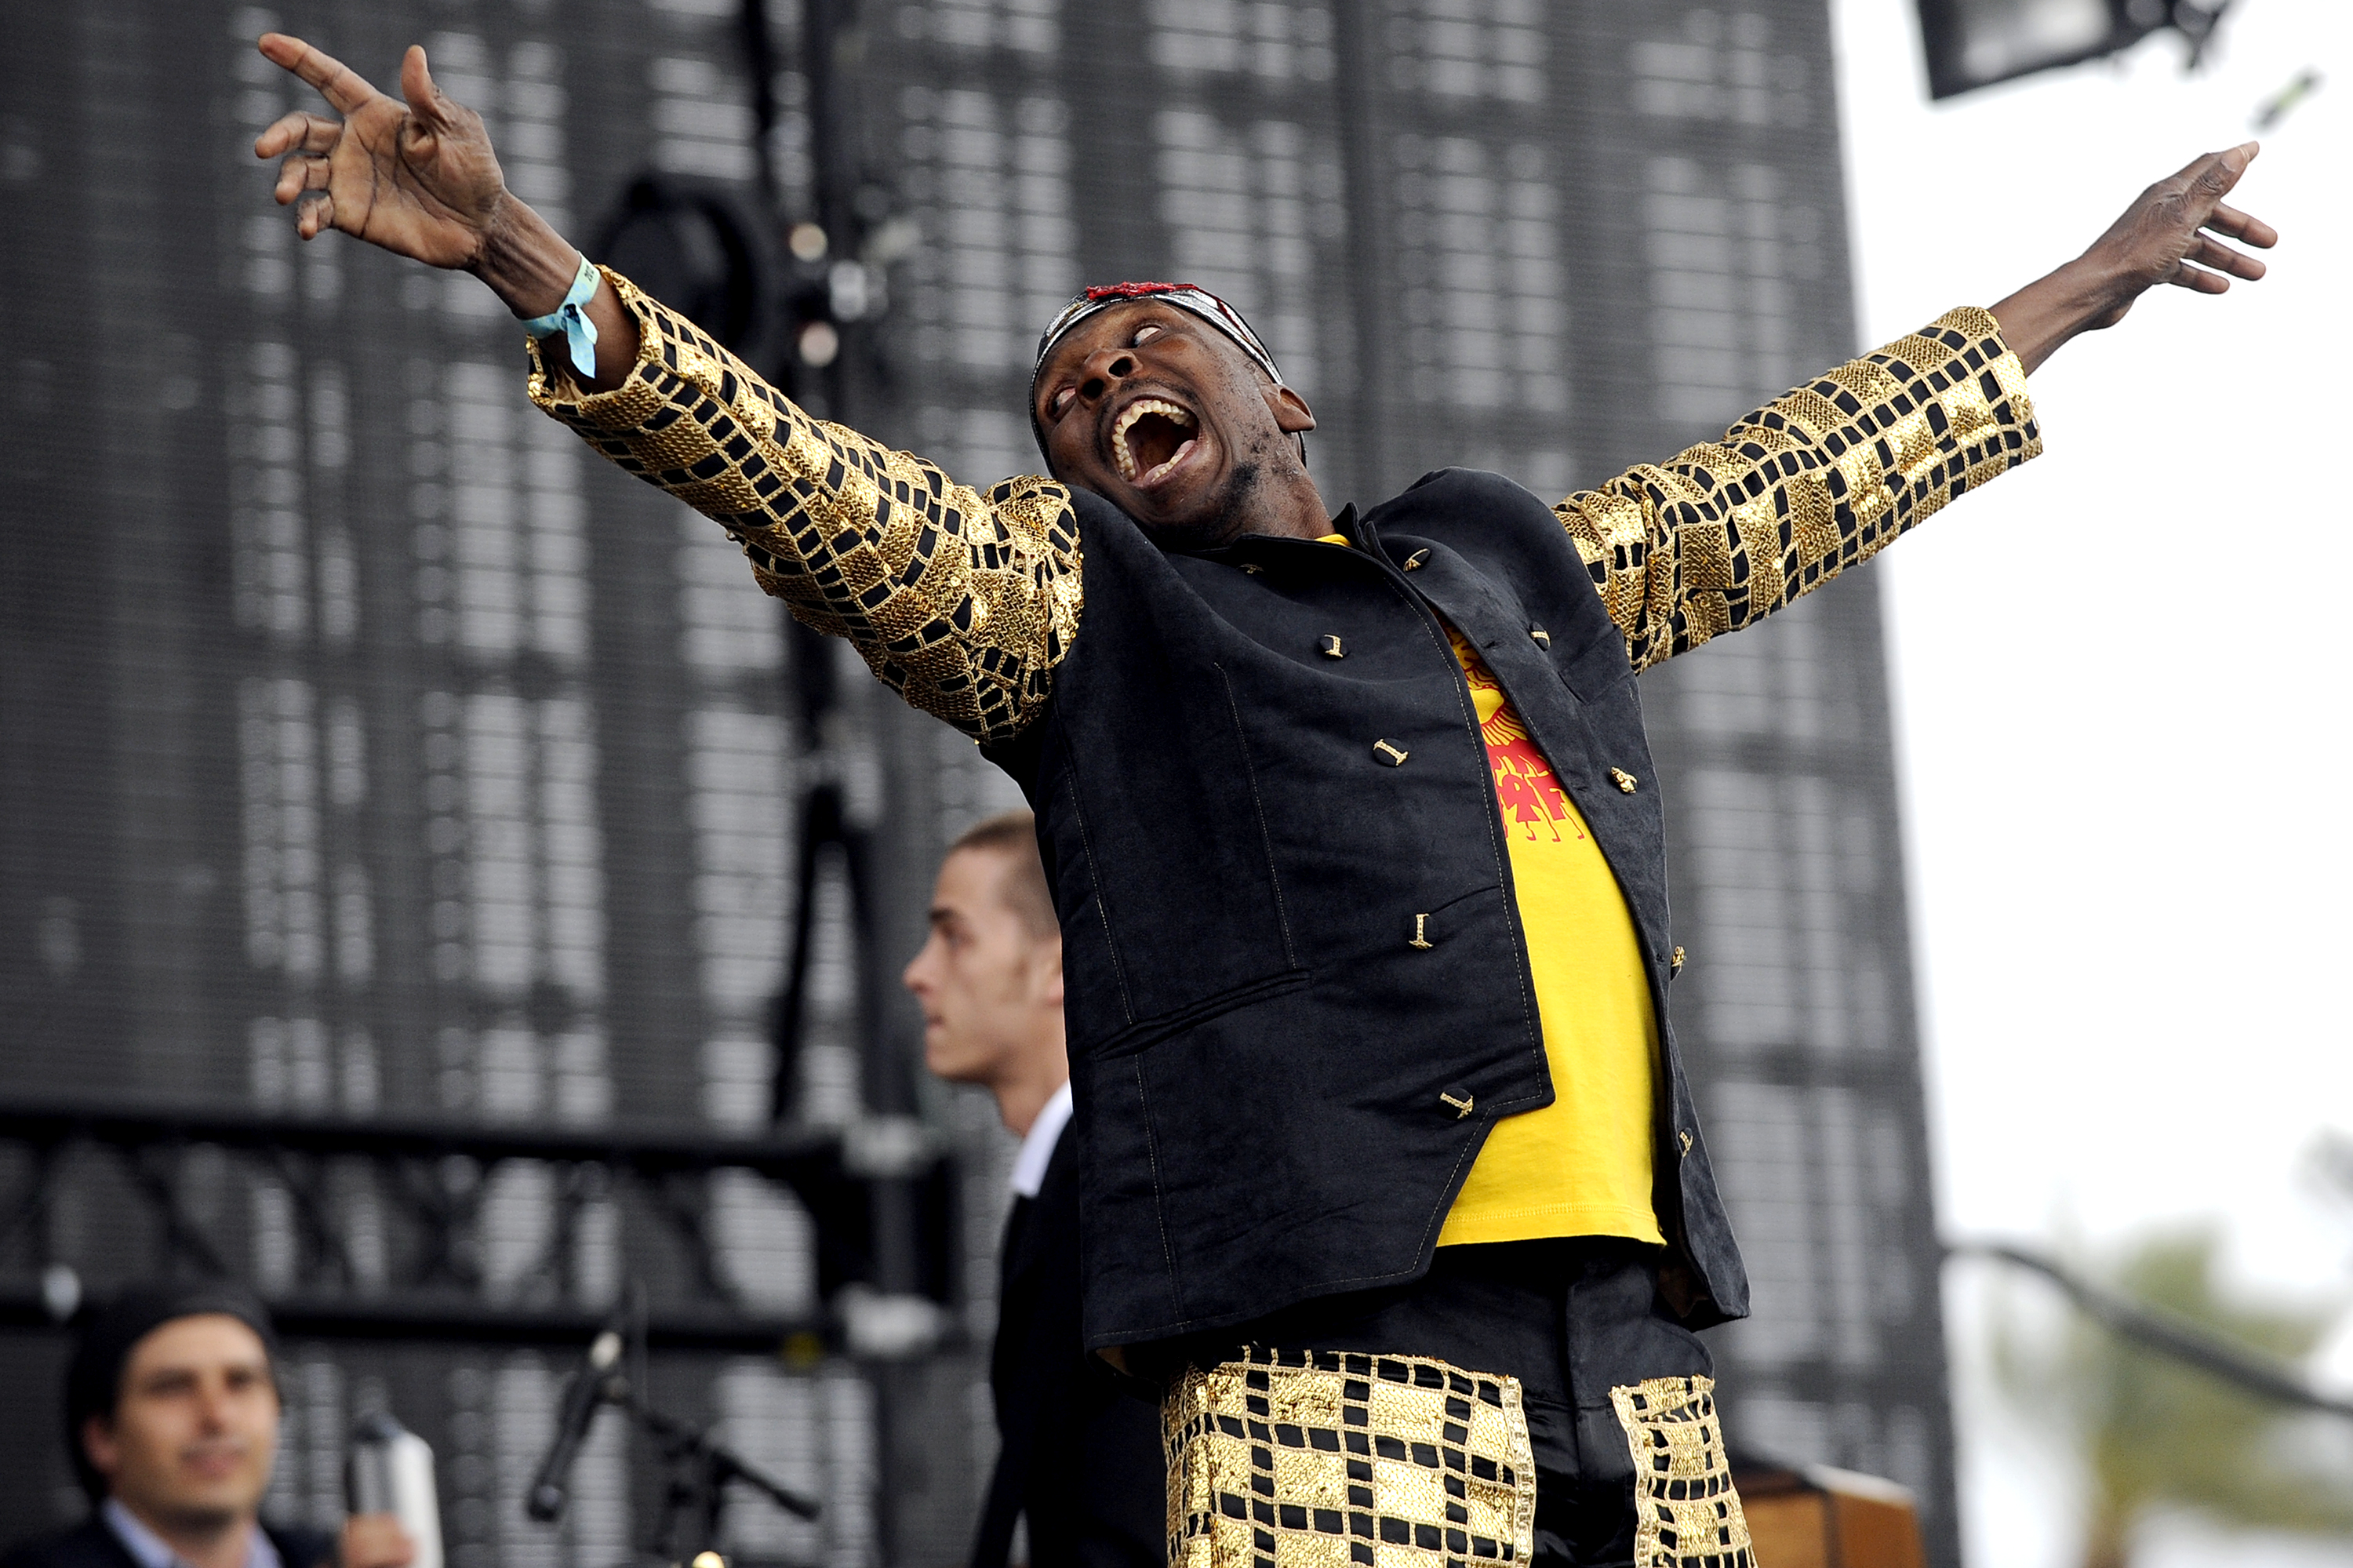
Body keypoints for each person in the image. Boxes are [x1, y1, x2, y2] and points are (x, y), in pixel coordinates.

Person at [247, 32, 2276, 1567]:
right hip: (1334, 1362)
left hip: (1638, 1360)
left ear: (1273, 396)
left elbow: (1784, 478)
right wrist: (529, 258)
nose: (1100, 385)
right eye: (1062, 400)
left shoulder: (1509, 570)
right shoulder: (1085, 619)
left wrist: (2084, 282)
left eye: (1148, 343)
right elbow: (802, 483)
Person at [904, 811, 1164, 1568]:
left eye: (954, 935)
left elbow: (1121, 1507)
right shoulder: (1076, 1180)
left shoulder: (1108, 1189)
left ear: (1059, 966)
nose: (918, 971)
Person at [0, 1283, 413, 1568]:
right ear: (102, 1438)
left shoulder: (326, 1556)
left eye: (242, 1382)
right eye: (173, 1387)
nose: (218, 1416)